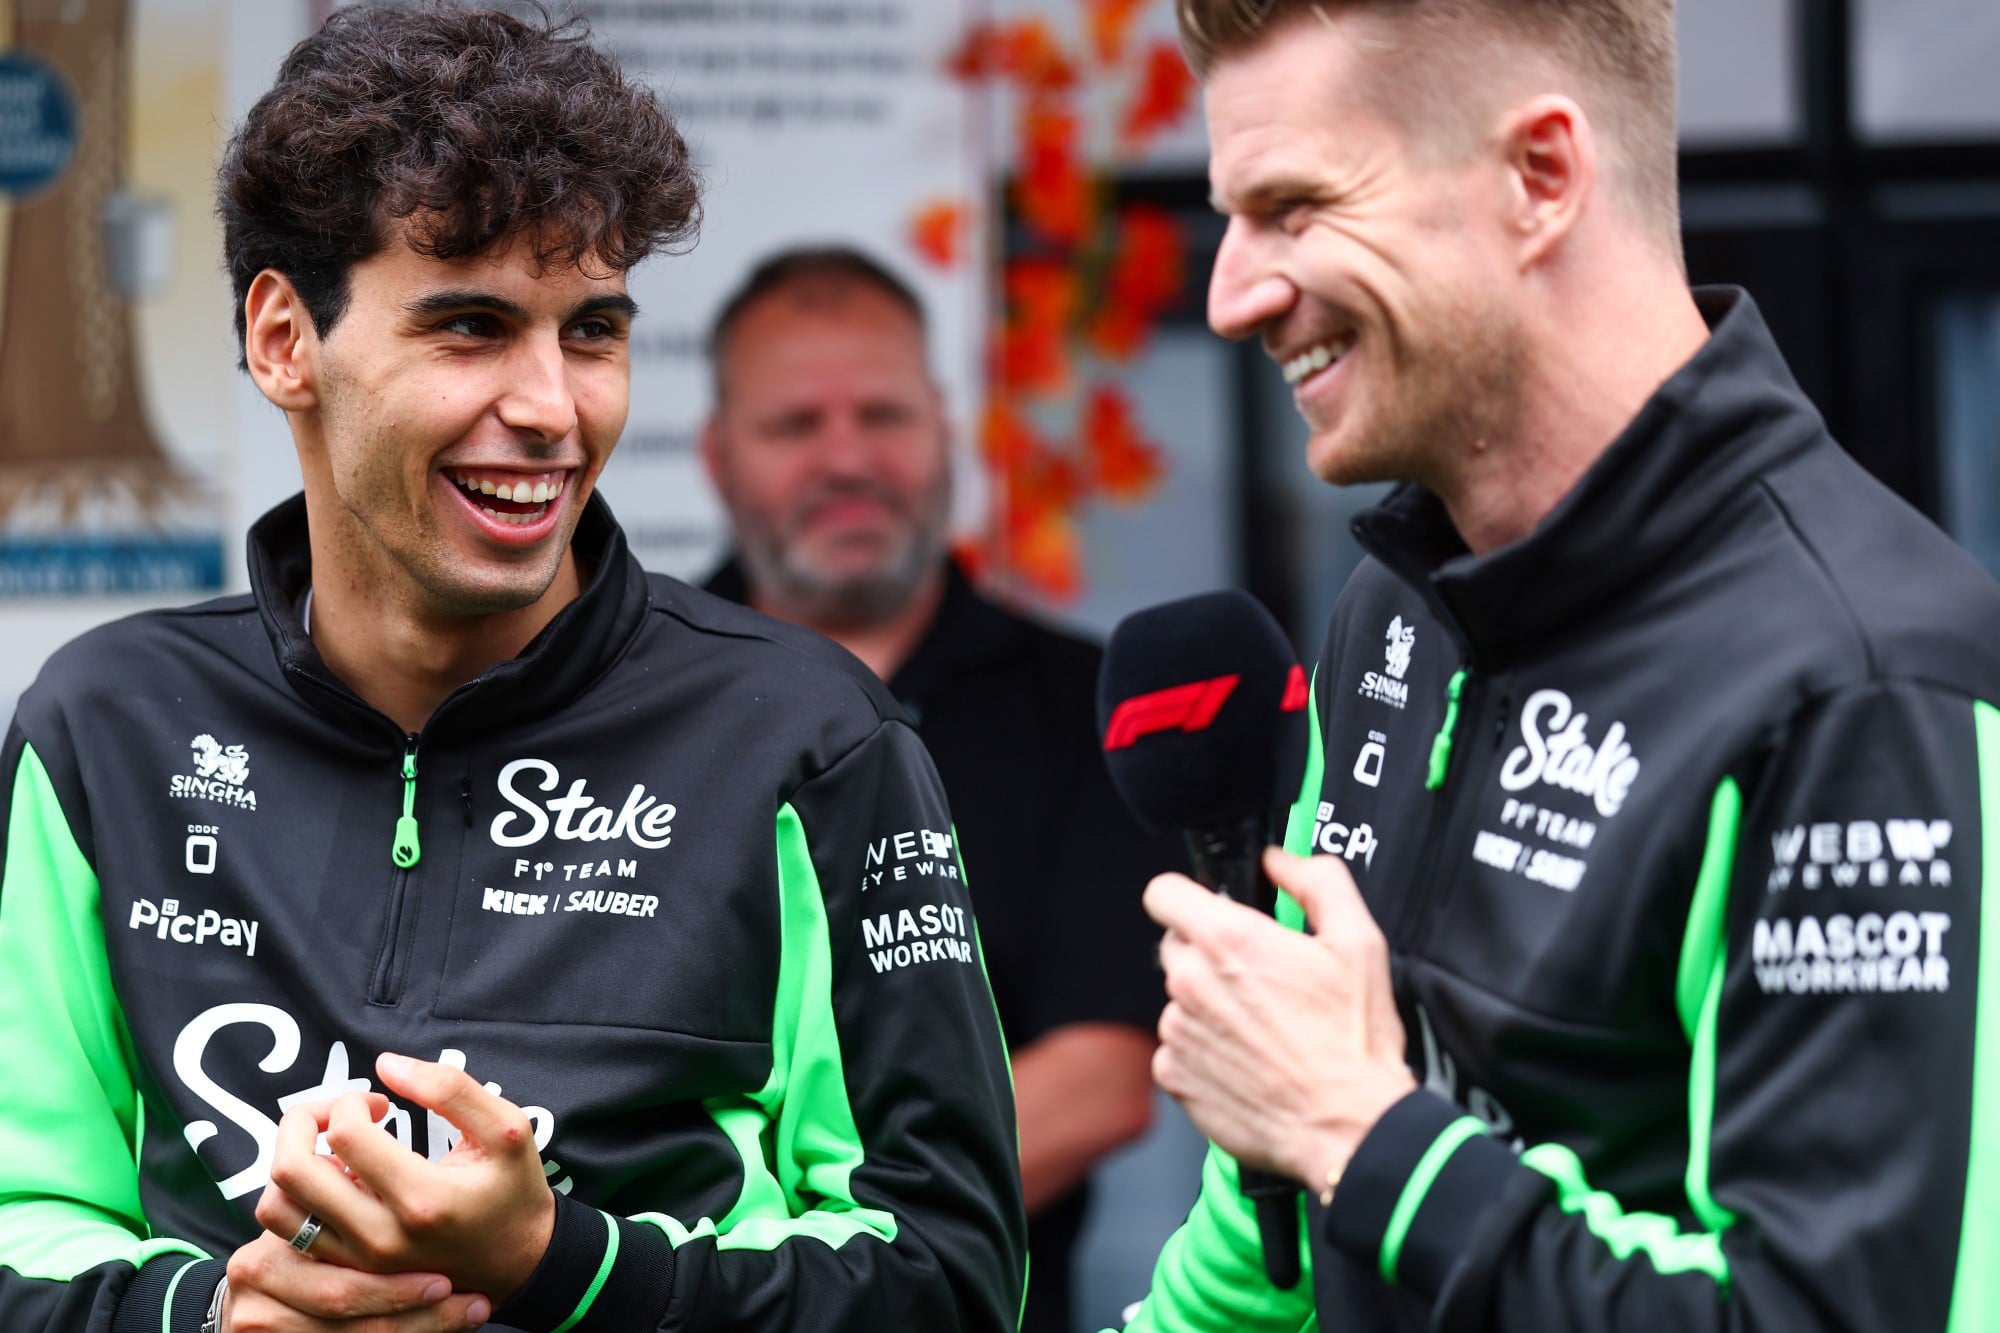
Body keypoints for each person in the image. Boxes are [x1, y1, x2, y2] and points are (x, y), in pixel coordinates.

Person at [0, 10, 1024, 1333]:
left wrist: (565, 1265)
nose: (552, 406)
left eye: (592, 330)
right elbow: (21, 1230)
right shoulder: (108, 729)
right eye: (472, 327)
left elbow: (952, 1277)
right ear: (281, 342)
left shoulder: (810, 739)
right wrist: (223, 1318)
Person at [1124, 2, 2000, 1330]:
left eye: (1295, 207)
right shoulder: (1394, 613)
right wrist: (1316, 1130)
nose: (1230, 293)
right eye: (1232, 216)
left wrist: (1369, 1139)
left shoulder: (1868, 681)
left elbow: (1830, 1308)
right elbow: (1271, 1241)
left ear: (1540, 179)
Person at [698, 247, 1173, 1332]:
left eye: (883, 415)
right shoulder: (626, 696)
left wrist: (830, 1267)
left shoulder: (1083, 704)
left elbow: (1101, 1072)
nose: (847, 457)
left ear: (944, 431)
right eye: (794, 427)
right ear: (718, 456)